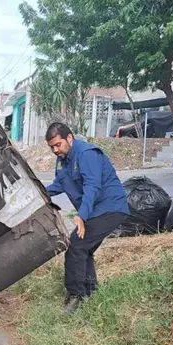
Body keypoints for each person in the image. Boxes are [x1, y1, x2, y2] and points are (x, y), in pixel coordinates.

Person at [44, 122, 130, 313]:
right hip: (94, 211)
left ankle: (75, 297)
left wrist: (81, 215)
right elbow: (59, 185)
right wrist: (38, 194)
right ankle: (91, 292)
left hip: (109, 208)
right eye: (52, 147)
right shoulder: (62, 160)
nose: (55, 150)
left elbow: (92, 186)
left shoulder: (87, 154)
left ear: (69, 138)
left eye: (58, 144)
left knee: (76, 245)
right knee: (84, 249)